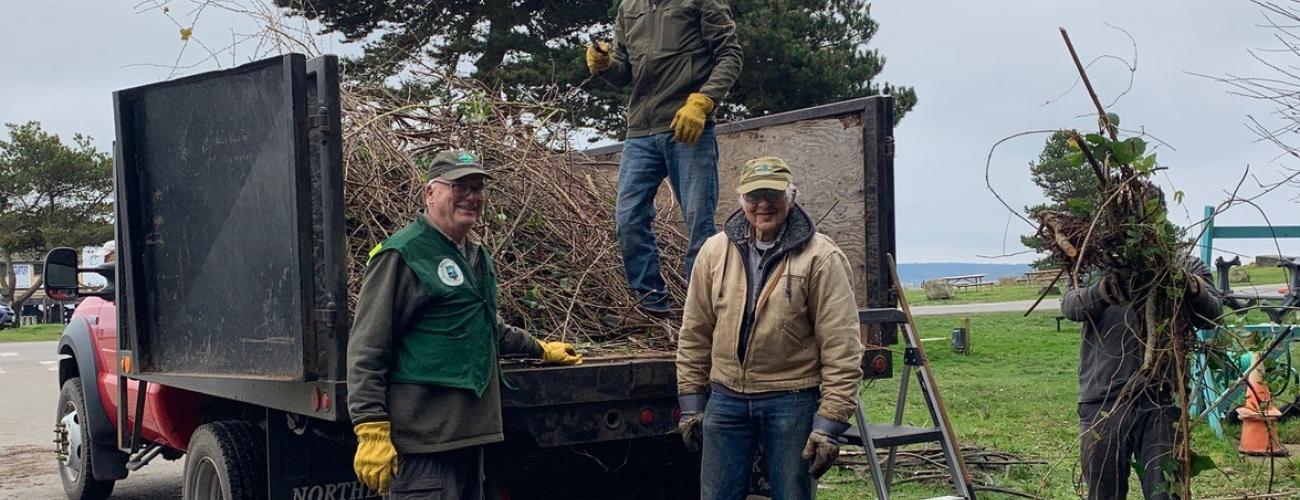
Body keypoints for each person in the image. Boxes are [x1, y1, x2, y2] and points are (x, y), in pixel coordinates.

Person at [347, 150, 583, 499]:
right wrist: (370, 426)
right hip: (424, 444)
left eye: (477, 188)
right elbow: (368, 345)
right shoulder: (403, 254)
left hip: (470, 440)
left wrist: (540, 349)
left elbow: (487, 327)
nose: (472, 197)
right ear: (430, 193)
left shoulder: (475, 255)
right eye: (459, 187)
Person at [675, 157, 864, 499]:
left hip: (791, 399)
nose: (763, 204)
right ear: (741, 200)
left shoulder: (821, 257)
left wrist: (829, 423)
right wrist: (691, 402)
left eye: (773, 194)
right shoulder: (714, 252)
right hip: (726, 398)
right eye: (754, 195)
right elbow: (695, 331)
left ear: (792, 195)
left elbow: (842, 345)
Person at [586, 0, 743, 315]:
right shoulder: (629, 7)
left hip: (688, 126)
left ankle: (699, 312)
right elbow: (623, 73)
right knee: (628, 220)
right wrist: (605, 66)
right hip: (640, 132)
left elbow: (730, 55)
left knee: (700, 225)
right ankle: (652, 306)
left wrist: (704, 101)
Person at [1063, 245, 1222, 499]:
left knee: (1166, 493)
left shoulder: (1184, 265)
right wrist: (1102, 291)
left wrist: (1195, 288)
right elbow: (1070, 306)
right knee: (1104, 493)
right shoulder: (1096, 264)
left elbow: (1213, 315)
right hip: (1103, 400)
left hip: (1162, 400)